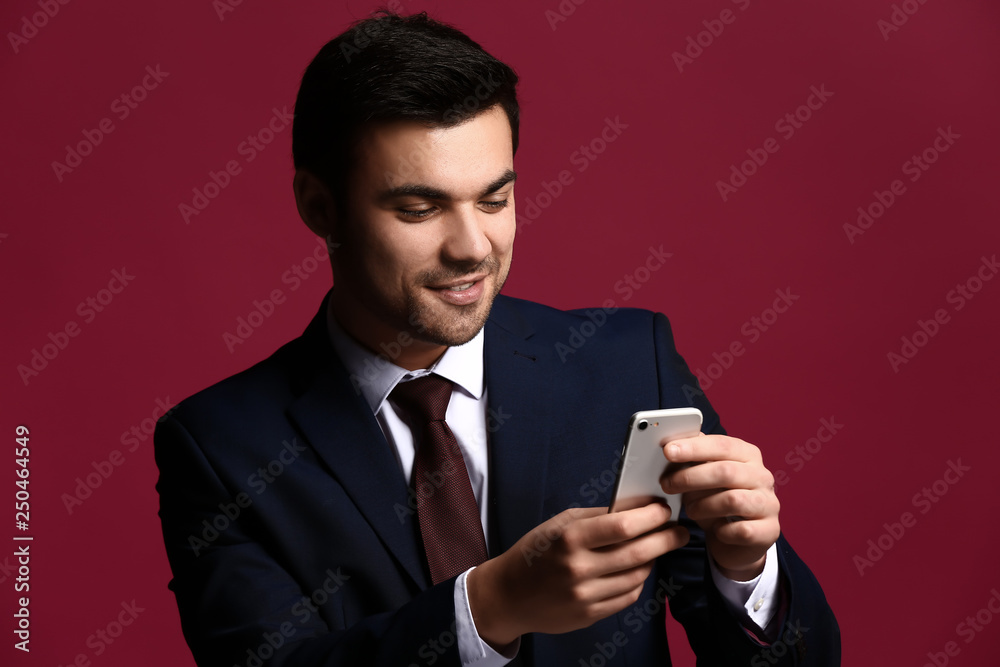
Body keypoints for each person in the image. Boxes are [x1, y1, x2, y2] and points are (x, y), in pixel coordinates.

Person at [154, 9, 840, 666]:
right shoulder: (220, 448)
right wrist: (491, 605)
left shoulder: (631, 365)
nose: (472, 246)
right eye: (419, 208)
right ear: (318, 206)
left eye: (495, 199)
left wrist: (748, 569)